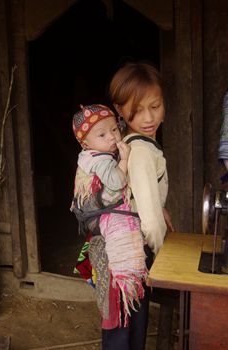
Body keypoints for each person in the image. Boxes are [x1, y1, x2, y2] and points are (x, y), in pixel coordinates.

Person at [103, 60, 175, 350]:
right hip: (133, 254)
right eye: (137, 109)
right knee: (128, 331)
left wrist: (158, 204)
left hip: (119, 249)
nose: (148, 117)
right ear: (120, 110)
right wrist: (162, 259)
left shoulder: (134, 142)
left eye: (155, 106)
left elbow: (139, 194)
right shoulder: (142, 150)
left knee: (123, 324)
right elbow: (152, 224)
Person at [71, 104, 148, 330]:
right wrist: (124, 160)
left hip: (98, 228)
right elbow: (116, 183)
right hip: (104, 229)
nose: (112, 137)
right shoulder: (101, 159)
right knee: (116, 295)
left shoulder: (90, 155)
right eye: (102, 134)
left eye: (114, 130)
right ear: (85, 143)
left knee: (113, 300)